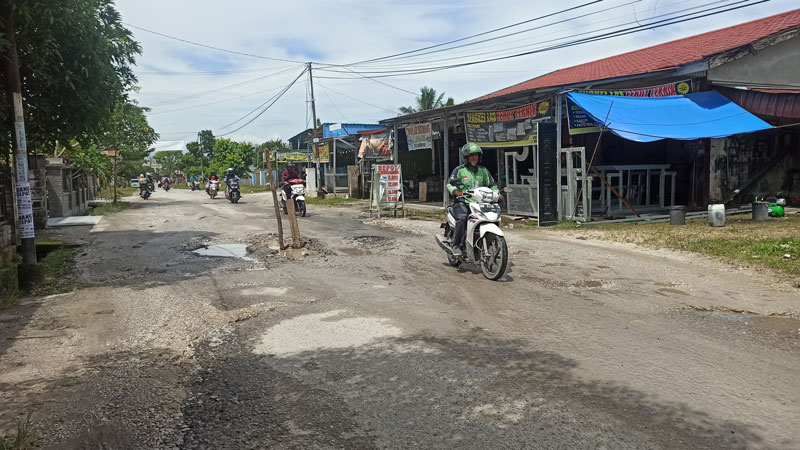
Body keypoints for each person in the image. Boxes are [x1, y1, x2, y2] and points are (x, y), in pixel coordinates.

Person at [446, 143, 502, 257]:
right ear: (466, 158)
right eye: (471, 155)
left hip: (480, 203)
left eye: (476, 155)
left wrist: (497, 194)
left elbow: (492, 185)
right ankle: (457, 245)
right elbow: (450, 184)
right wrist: (455, 191)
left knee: (491, 217)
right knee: (463, 218)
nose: (474, 157)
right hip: (463, 202)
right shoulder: (459, 170)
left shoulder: (484, 171)